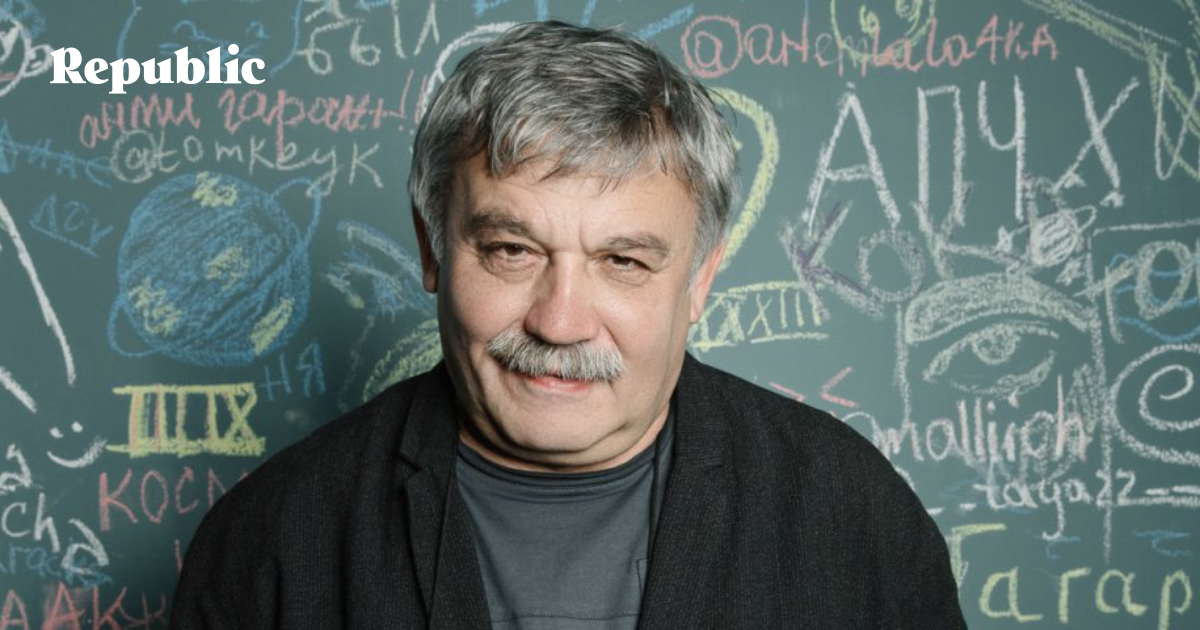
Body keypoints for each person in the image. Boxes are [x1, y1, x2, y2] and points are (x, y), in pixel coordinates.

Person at [170, 20, 966, 629]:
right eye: (512, 251)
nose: (559, 322)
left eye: (623, 261)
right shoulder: (275, 538)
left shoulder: (851, 516)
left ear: (699, 279)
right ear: (433, 249)